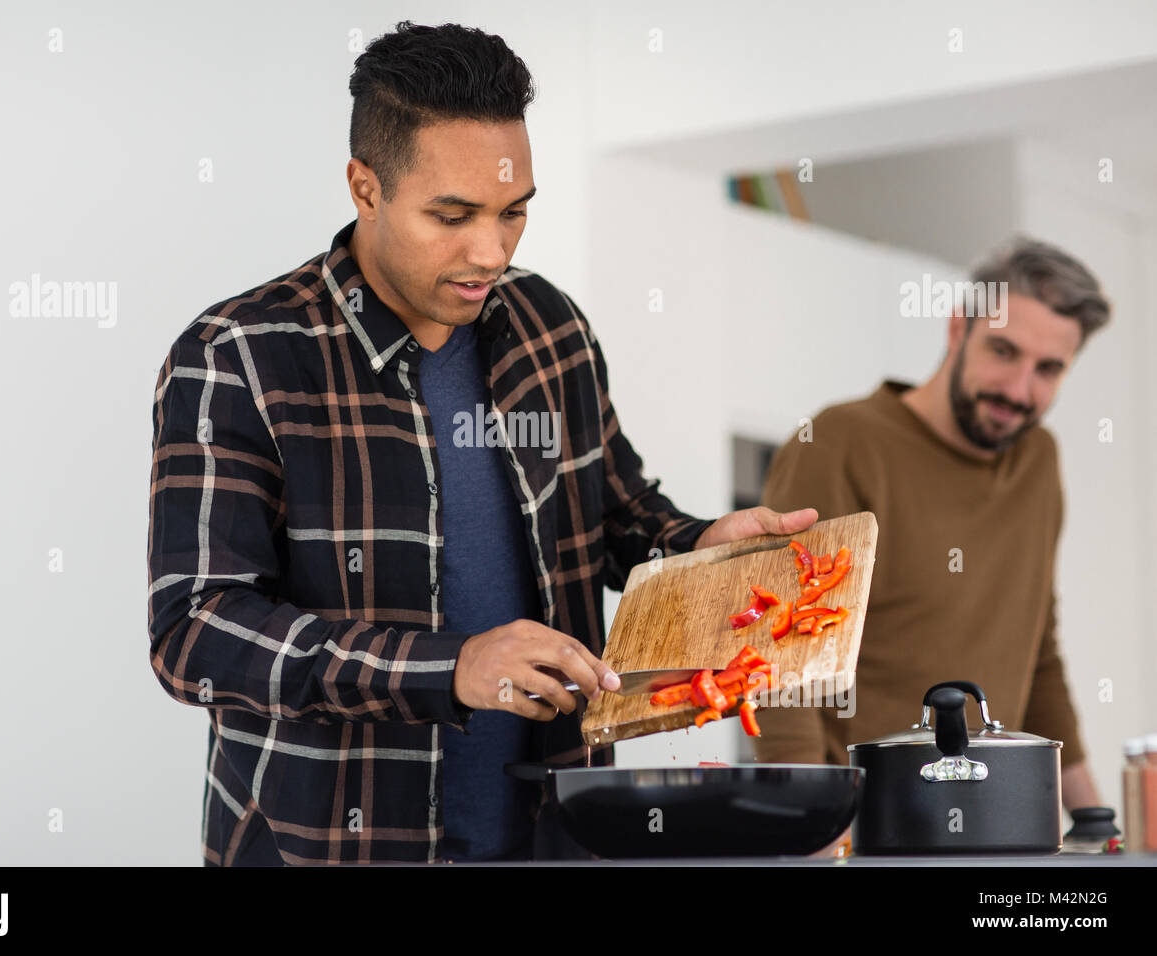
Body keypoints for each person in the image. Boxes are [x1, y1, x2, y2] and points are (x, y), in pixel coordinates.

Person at [146, 21, 815, 865]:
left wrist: (696, 545)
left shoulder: (551, 328)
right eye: (452, 215)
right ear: (365, 187)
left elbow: (617, 514)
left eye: (514, 212)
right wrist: (448, 667)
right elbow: (194, 632)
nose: (490, 251)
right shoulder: (238, 355)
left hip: (557, 837)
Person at [753, 236, 1109, 813]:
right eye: (1003, 351)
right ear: (956, 330)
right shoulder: (841, 443)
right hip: (866, 826)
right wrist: (813, 828)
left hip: (998, 821)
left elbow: (1038, 647)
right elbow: (781, 646)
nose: (1019, 391)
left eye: (1048, 369)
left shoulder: (1039, 461)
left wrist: (1097, 821)